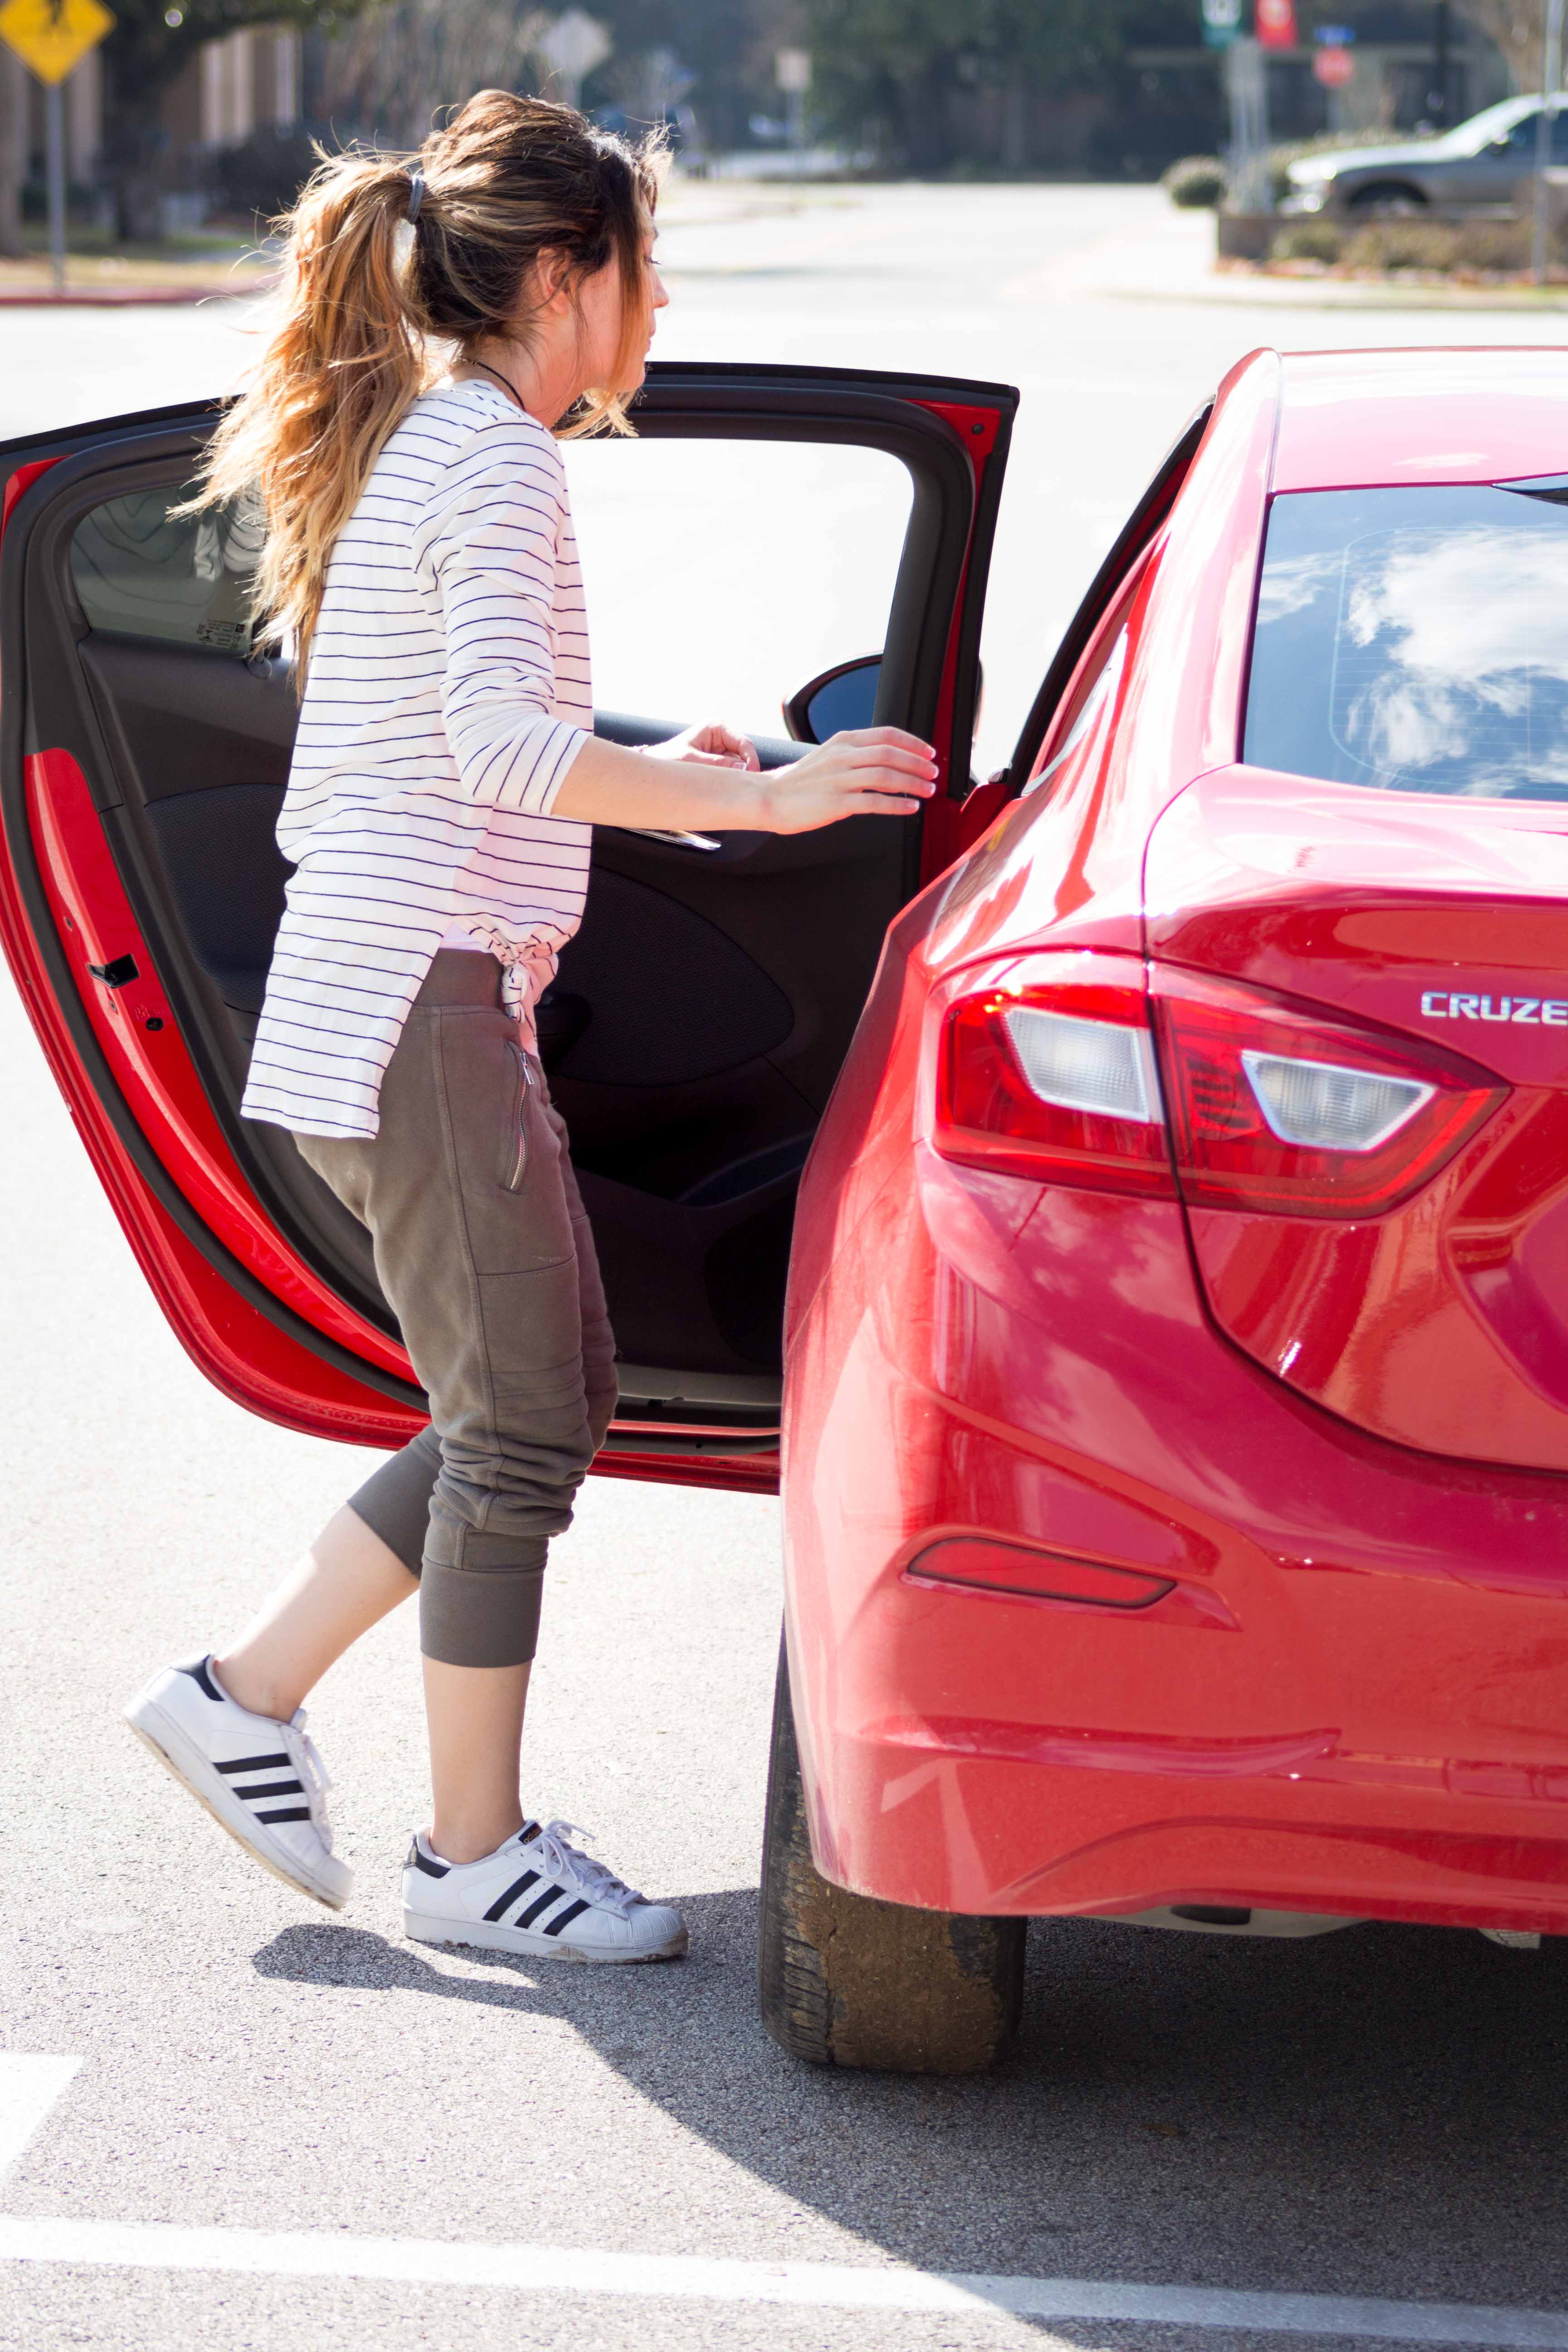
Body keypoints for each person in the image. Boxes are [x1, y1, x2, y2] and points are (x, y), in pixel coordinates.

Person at [123, 91, 937, 1965]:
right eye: (649, 269)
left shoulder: (447, 441)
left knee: (543, 1401)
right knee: (515, 1434)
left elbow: (457, 732)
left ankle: (243, 1696)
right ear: (570, 276)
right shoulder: (489, 459)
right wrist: (765, 803)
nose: (660, 310)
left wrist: (672, 766)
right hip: (417, 1004)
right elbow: (496, 748)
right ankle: (470, 1855)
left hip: (415, 995)